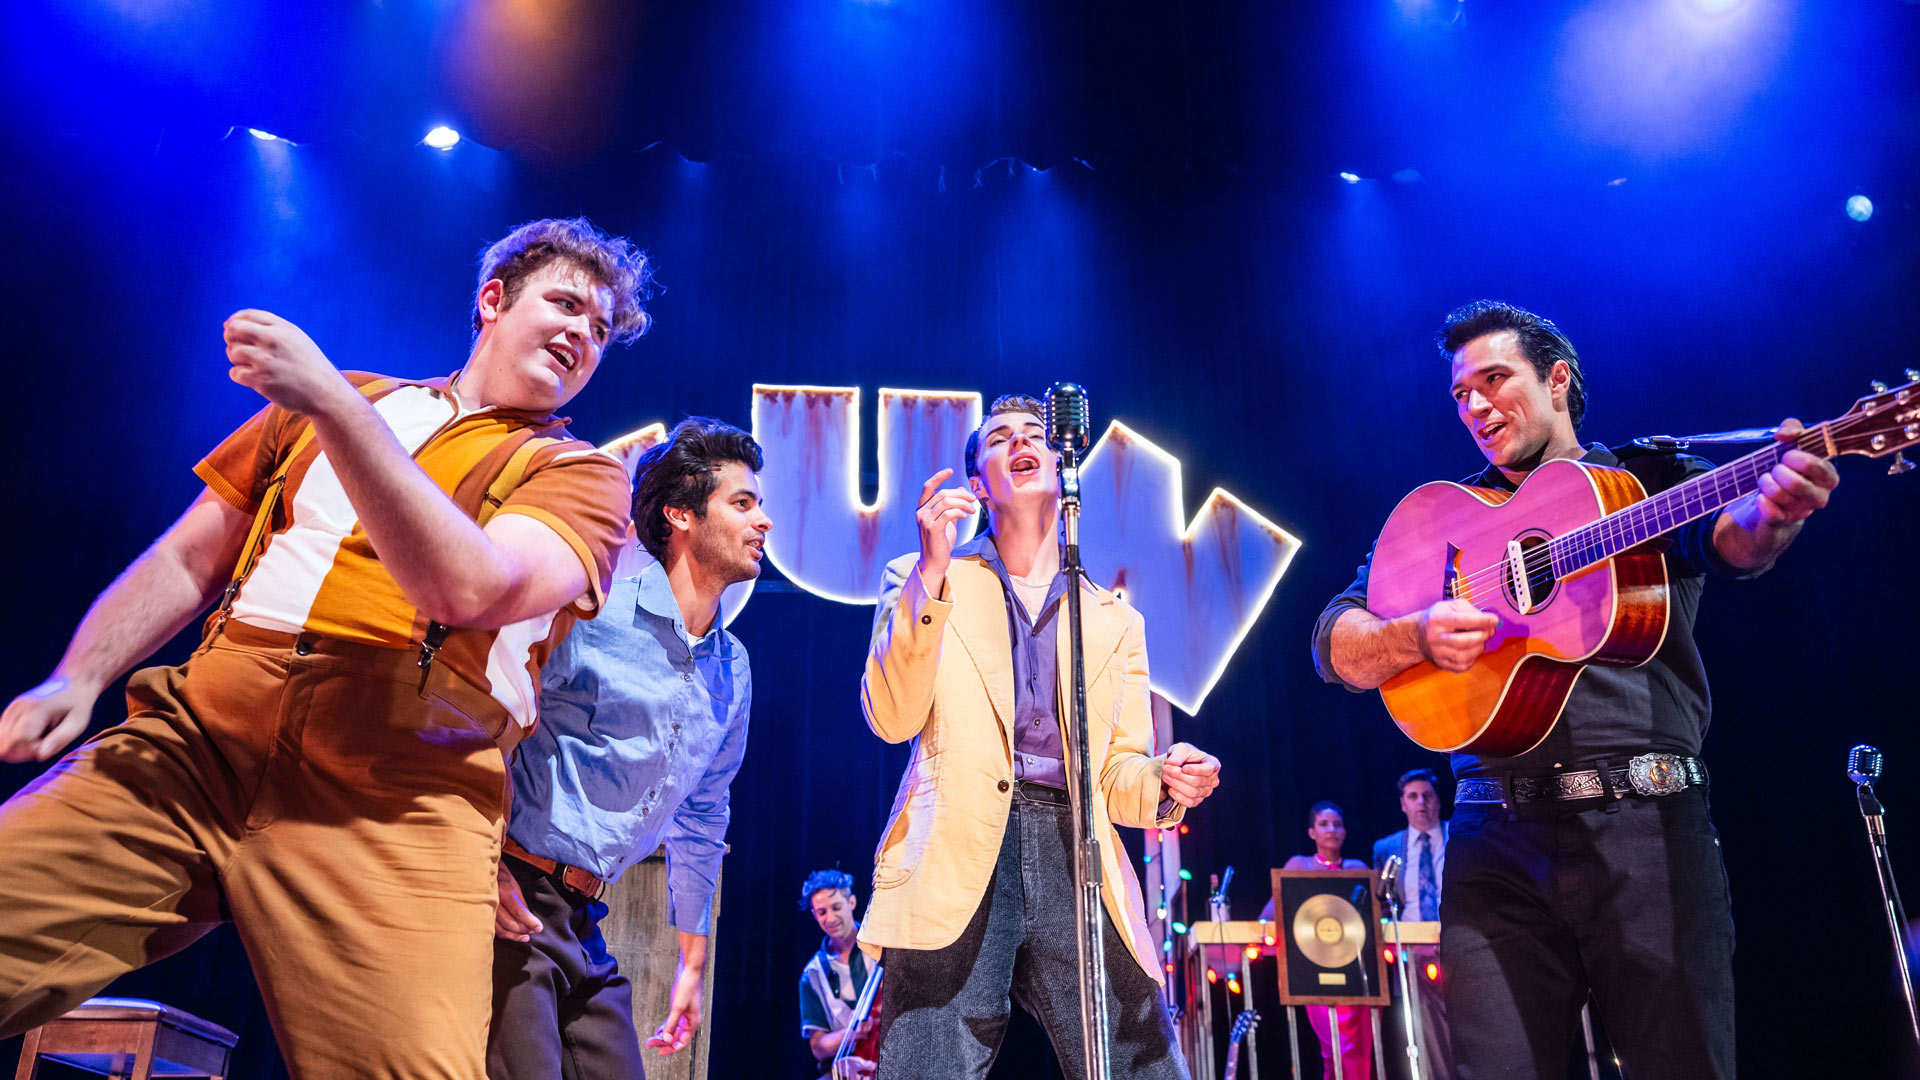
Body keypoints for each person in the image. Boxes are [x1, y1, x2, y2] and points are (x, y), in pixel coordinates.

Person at [0, 217, 649, 1078]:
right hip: (199, 742)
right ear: (492, 301)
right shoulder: (341, 401)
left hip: (401, 789)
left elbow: (475, 589)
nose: (581, 334)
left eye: (600, 330)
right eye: (565, 305)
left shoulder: (578, 473)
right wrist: (76, 676)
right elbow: (190, 557)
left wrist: (333, 405)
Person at [1314, 300, 1839, 1080]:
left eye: (1496, 380)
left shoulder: (1649, 481)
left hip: (1646, 829)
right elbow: (1335, 643)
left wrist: (1775, 512)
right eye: (1462, 395)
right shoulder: (1440, 525)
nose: (1477, 407)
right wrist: (1413, 635)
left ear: (1558, 379)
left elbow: (1730, 538)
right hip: (1494, 846)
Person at [859, 393, 1223, 1080]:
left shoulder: (1113, 618)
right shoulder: (922, 580)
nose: (1022, 443)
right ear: (977, 484)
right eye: (999, 439)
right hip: (961, 844)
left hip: (1076, 847)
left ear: (1063, 466)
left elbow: (1118, 772)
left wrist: (1166, 781)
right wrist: (932, 573)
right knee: (927, 1062)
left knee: (1139, 1059)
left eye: (1036, 435)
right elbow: (891, 716)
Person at [488, 417, 767, 1078]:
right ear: (681, 516)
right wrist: (481, 864)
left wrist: (691, 966)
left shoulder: (734, 668)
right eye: (743, 503)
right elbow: (490, 725)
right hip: (511, 899)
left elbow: (702, 815)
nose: (765, 522)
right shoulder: (593, 608)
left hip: (585, 918)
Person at [1262, 802, 1372, 1080]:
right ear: (1311, 832)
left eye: (1337, 824)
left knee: (1358, 1050)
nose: (1331, 830)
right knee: (1332, 1046)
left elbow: (1373, 920)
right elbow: (1270, 914)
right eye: (1323, 824)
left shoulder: (1357, 869)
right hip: (1316, 971)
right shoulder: (1300, 865)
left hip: (1357, 974)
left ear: (1345, 832)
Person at [1371, 768, 1451, 1080]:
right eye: (1413, 797)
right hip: (1412, 956)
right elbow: (1380, 902)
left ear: (1438, 800)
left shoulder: (1458, 834)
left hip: (1456, 946)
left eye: (1428, 796)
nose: (1422, 803)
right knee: (1424, 1034)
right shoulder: (1386, 849)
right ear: (1403, 804)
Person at [798, 869, 876, 1079]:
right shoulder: (812, 974)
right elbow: (819, 1046)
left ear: (851, 903)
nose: (830, 918)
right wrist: (853, 1033)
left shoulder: (879, 947)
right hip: (843, 1068)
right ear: (814, 915)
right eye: (822, 912)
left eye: (836, 907)